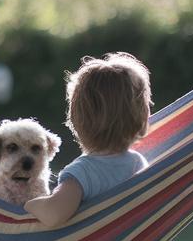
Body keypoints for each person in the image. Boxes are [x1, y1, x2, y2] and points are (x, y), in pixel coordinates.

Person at [24, 52, 151, 227]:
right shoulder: (139, 164)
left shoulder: (82, 172)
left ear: (76, 120)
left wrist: (32, 203)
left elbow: (54, 215)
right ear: (142, 118)